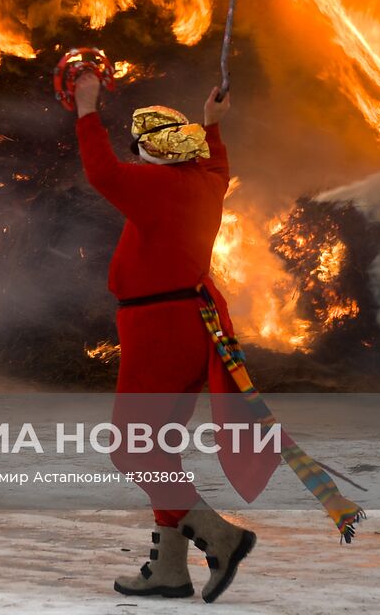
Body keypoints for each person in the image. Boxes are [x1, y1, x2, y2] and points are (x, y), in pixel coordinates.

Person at [72, 71, 261, 604]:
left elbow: (102, 171)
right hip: (185, 325)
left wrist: (86, 106)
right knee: (157, 449)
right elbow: (218, 161)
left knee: (131, 449)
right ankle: (170, 571)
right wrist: (213, 125)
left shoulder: (156, 187)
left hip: (159, 328)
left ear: (150, 154)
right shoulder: (206, 182)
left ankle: (221, 535)